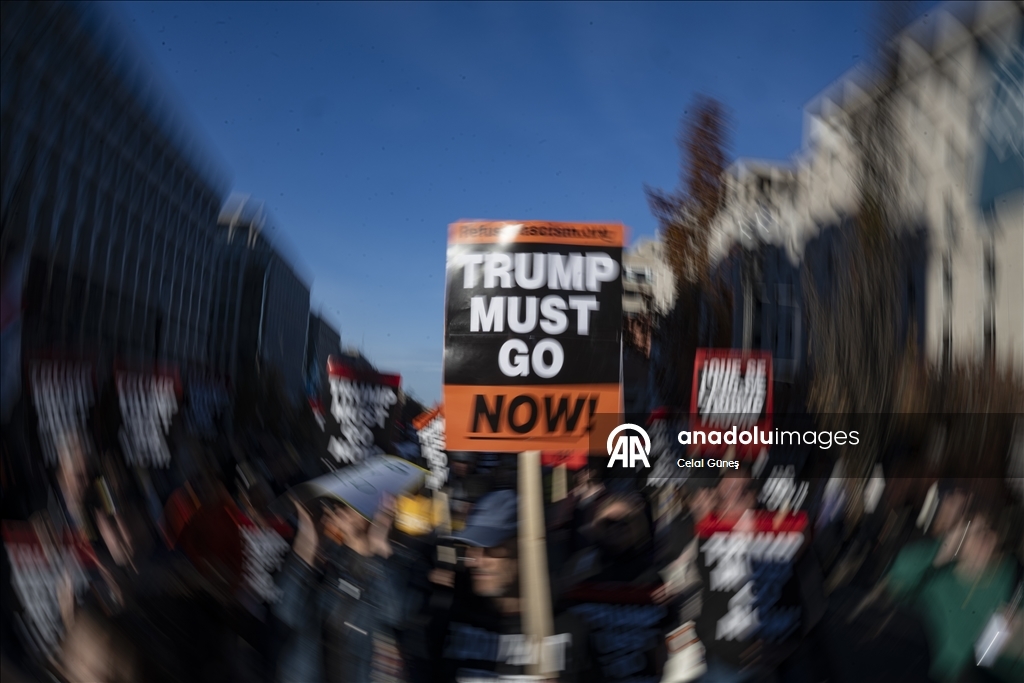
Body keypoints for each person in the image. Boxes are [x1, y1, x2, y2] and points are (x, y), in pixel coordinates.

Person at [431, 489, 597, 682]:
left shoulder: (569, 631)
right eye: (471, 549)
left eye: (491, 548)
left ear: (527, 550)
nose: (474, 561)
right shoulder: (452, 623)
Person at [886, 497, 1022, 683]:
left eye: (989, 530)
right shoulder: (938, 580)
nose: (985, 539)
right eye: (975, 533)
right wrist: (941, 551)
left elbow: (1002, 654)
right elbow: (897, 579)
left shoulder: (1008, 573)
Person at [274, 495, 401, 683]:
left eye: (350, 508)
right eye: (340, 508)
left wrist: (375, 545)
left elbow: (392, 613)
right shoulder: (329, 559)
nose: (342, 514)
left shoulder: (382, 564)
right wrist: (308, 539)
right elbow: (287, 611)